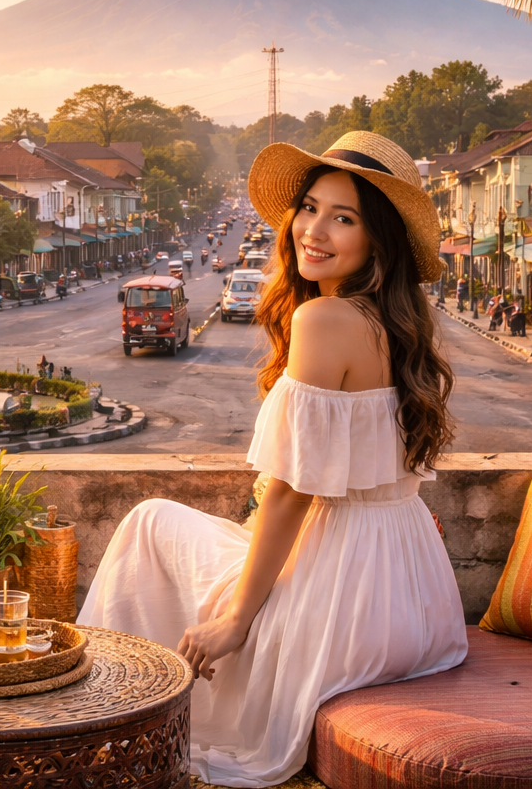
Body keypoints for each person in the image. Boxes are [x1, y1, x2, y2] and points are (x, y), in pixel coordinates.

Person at [79, 131, 465, 787]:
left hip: (346, 600)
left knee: (149, 523)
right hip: (416, 600)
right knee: (207, 542)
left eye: (344, 218)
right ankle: (115, 718)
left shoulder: (326, 321)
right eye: (310, 208)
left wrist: (236, 621)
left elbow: (289, 492)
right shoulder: (396, 324)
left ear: (380, 240)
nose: (314, 230)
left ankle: (102, 724)